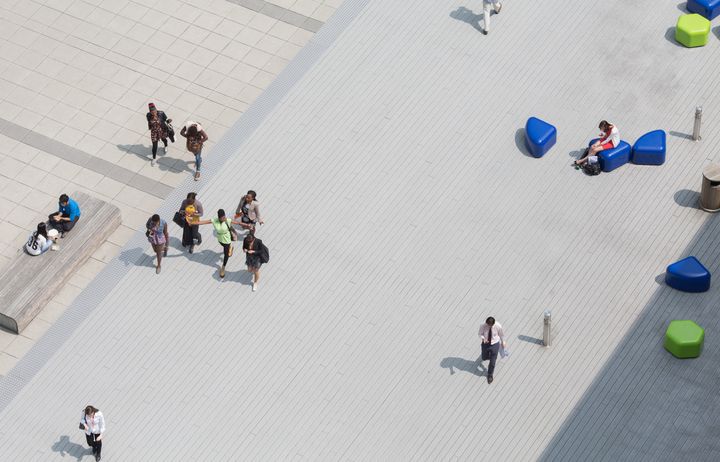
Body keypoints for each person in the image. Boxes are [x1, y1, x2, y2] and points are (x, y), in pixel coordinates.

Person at [196, 209, 242, 278]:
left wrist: (247, 225)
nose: (224, 218)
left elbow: (237, 223)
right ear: (219, 217)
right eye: (222, 217)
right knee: (223, 245)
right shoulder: (215, 220)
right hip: (220, 239)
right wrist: (193, 223)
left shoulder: (227, 220)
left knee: (226, 254)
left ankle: (223, 268)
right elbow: (204, 222)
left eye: (224, 216)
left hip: (227, 239)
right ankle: (230, 247)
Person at [478, 316, 506, 384]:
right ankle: (488, 356)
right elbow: (480, 334)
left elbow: (501, 335)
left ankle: (490, 374)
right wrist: (483, 338)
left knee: (493, 362)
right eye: (488, 325)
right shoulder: (483, 325)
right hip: (485, 343)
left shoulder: (498, 326)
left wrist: (503, 341)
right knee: (484, 357)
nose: (489, 326)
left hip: (495, 344)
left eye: (491, 325)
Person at [145, 102, 173, 167]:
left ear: (156, 110)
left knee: (164, 139)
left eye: (154, 111)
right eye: (152, 111)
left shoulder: (161, 113)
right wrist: (153, 117)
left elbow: (165, 121)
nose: (153, 112)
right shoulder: (148, 115)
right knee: (154, 146)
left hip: (161, 130)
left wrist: (169, 121)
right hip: (154, 132)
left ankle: (166, 146)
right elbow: (149, 122)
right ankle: (154, 158)